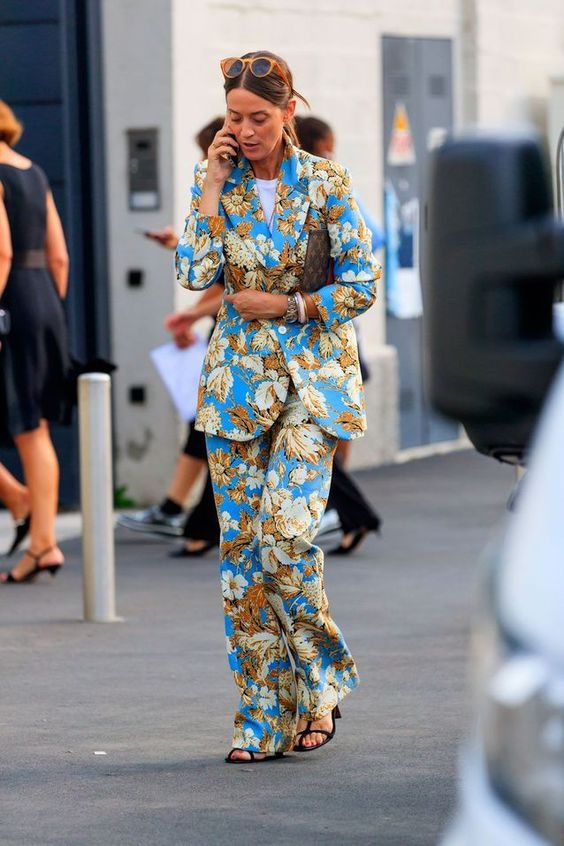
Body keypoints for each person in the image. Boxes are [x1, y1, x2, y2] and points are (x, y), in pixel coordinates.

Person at [176, 51, 381, 762]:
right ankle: (262, 716)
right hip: (235, 390)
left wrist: (289, 304)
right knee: (241, 559)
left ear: (289, 112)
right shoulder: (220, 183)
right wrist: (208, 181)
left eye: (258, 117)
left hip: (313, 385)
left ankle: (322, 682)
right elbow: (193, 272)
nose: (245, 129)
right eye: (235, 118)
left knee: (286, 539)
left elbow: (361, 283)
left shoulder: (325, 181)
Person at [117, 118, 225, 556]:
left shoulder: (243, 196)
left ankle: (179, 512)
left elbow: (234, 285)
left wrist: (192, 315)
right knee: (210, 426)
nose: (204, 161)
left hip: (251, 338)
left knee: (211, 424)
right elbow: (213, 271)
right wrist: (178, 245)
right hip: (230, 333)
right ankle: (188, 518)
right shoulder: (218, 194)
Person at [295, 114, 383, 554]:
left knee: (316, 437)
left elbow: (373, 242)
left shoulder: (328, 185)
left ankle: (348, 512)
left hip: (326, 328)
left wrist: (327, 273)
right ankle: (348, 513)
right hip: (327, 327)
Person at [0, 100, 69, 584]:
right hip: (41, 297)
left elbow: (0, 250)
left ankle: (41, 537)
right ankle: (36, 529)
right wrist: (47, 309)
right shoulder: (35, 172)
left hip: (9, 301)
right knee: (34, 426)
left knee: (27, 427)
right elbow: (60, 257)